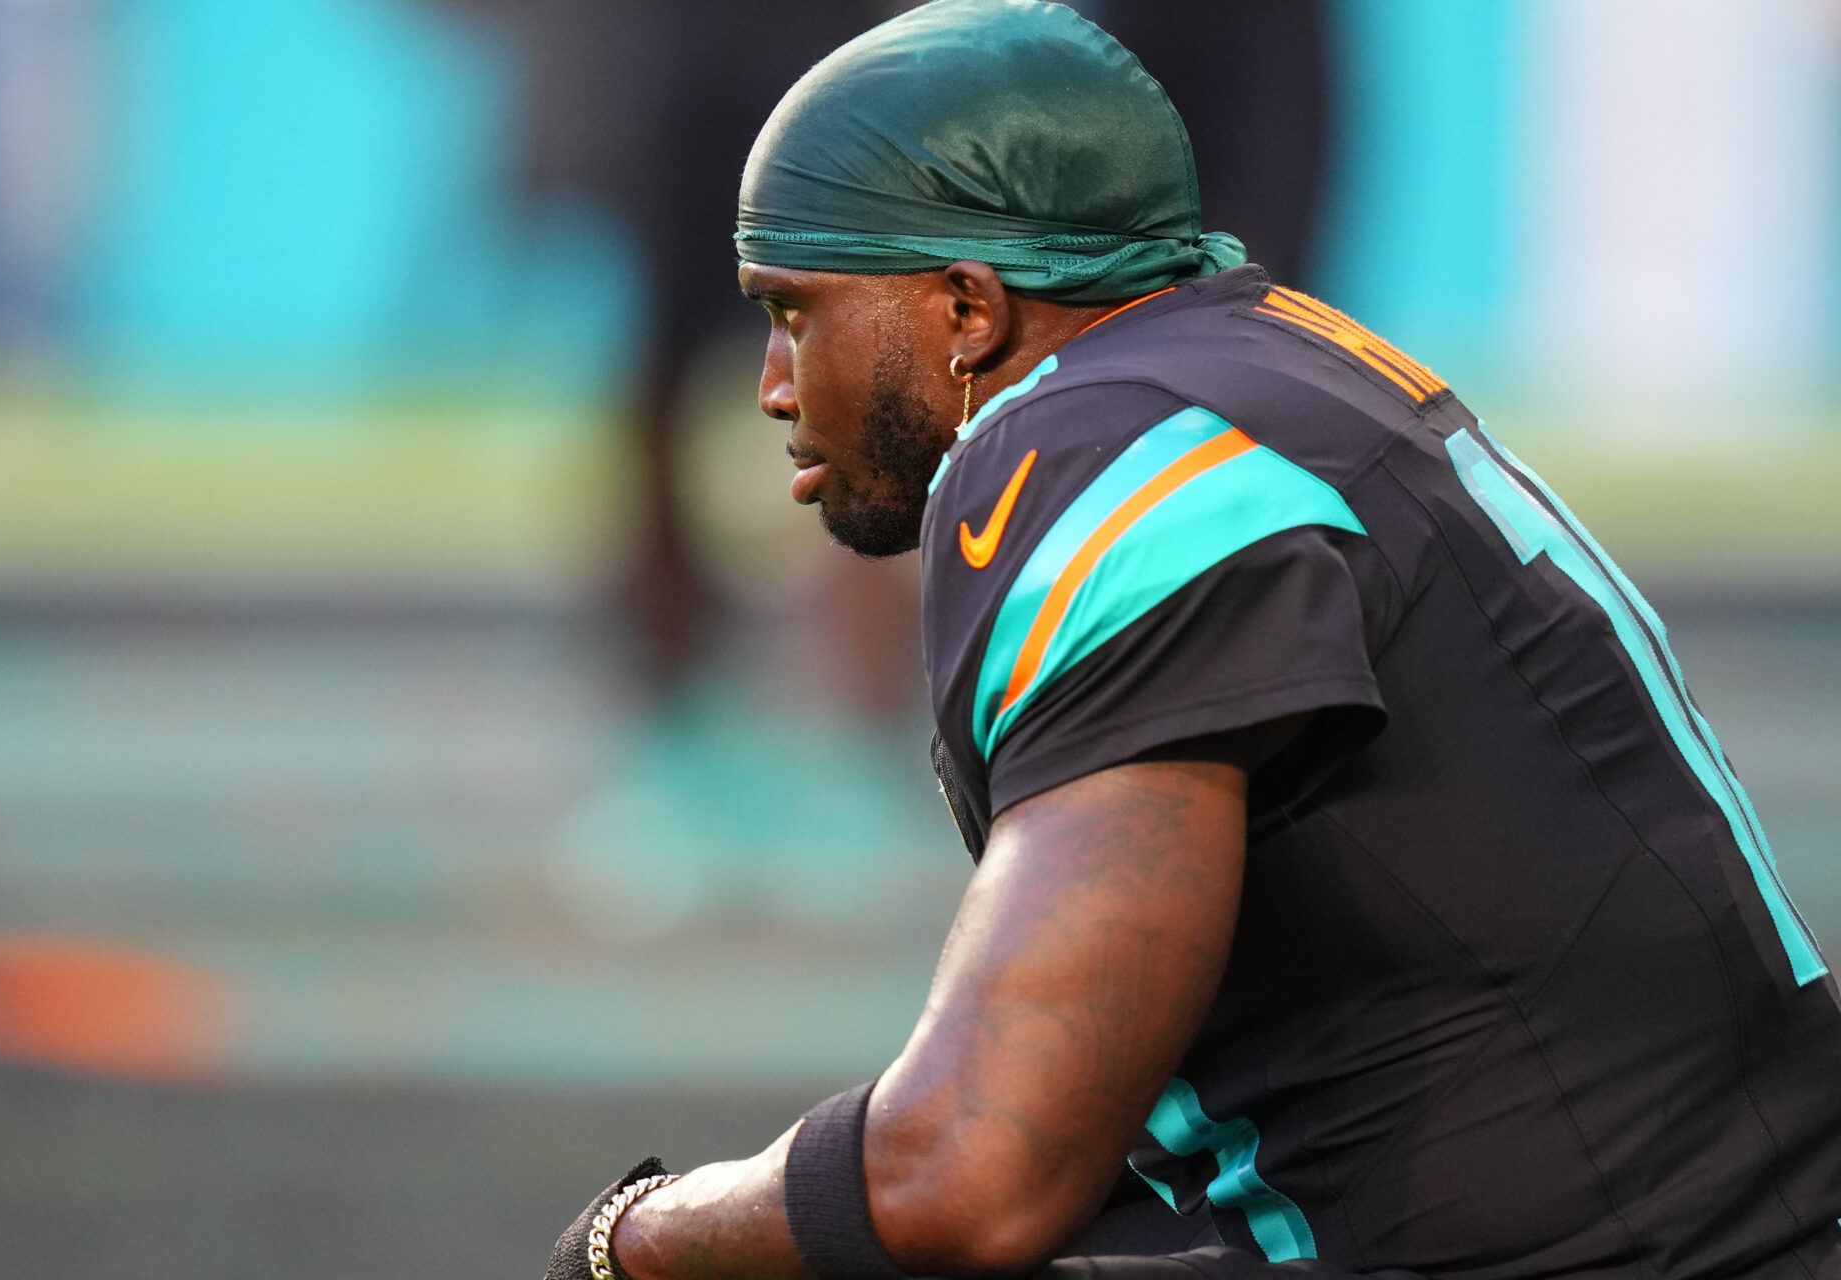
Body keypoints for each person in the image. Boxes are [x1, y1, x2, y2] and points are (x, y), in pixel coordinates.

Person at [542, 3, 1841, 1278]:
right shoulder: (1263, 355)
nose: (773, 385)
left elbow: (967, 1174)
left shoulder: (1099, 461)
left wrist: (629, 1240)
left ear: (965, 312)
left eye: (795, 312)